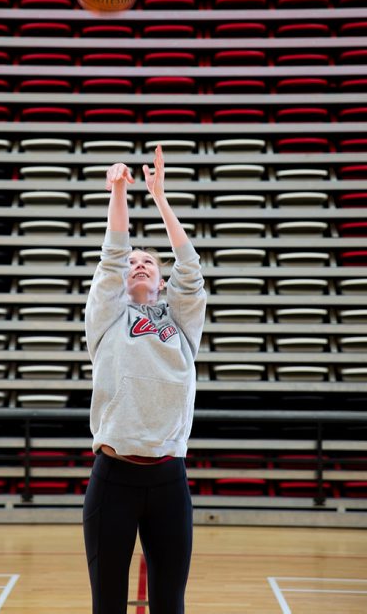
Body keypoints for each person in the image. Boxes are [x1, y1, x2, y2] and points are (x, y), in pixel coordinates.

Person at [83, 144, 207, 614]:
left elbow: (191, 273)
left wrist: (159, 197)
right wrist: (118, 191)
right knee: (108, 606)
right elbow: (111, 257)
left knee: (169, 606)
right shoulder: (107, 320)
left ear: (161, 283)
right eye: (133, 261)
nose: (137, 264)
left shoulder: (182, 325)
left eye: (148, 263)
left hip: (169, 482)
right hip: (112, 480)